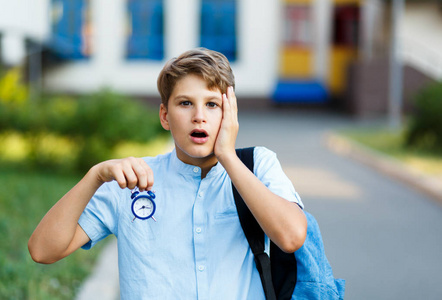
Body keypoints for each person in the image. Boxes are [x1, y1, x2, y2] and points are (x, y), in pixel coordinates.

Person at [28, 48, 307, 299]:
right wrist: (95, 175)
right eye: (185, 103)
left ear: (229, 114)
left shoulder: (258, 165)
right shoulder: (132, 181)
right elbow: (42, 251)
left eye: (212, 104)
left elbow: (291, 237)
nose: (199, 115)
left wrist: (227, 156)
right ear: (164, 115)